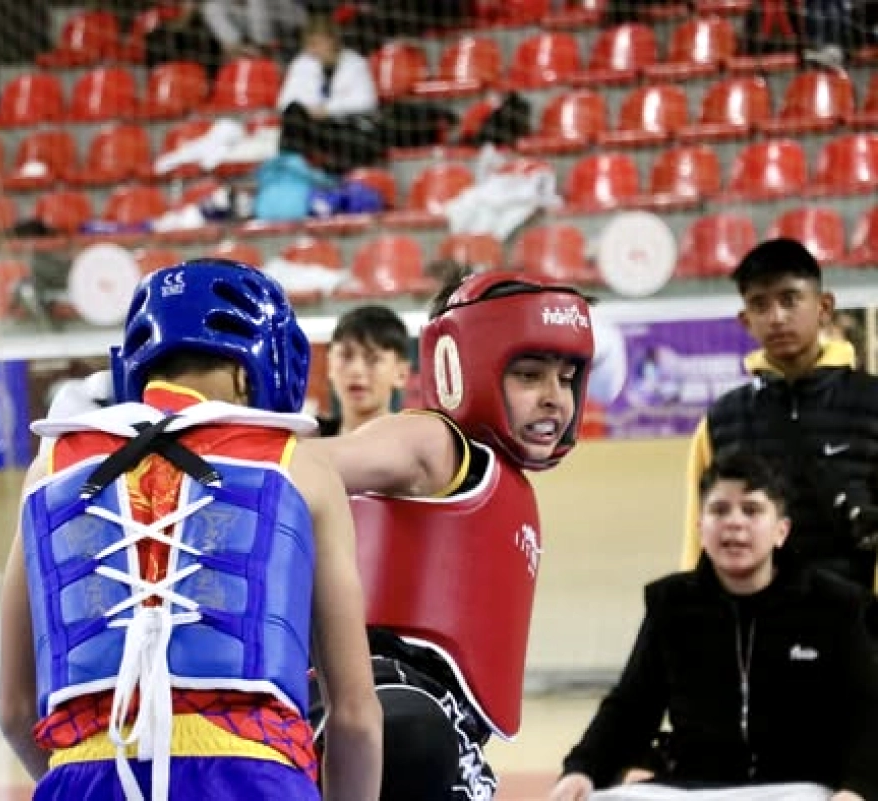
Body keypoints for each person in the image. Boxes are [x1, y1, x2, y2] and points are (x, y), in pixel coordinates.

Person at [0, 259, 383, 801]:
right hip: (251, 776)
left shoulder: (48, 468)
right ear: (252, 372)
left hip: (85, 774)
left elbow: (15, 711)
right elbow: (355, 717)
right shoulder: (302, 467)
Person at [307, 268, 597, 801]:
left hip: (429, 723)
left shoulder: (496, 479)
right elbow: (295, 465)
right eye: (530, 375)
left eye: (566, 377)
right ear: (468, 368)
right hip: (389, 706)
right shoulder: (435, 442)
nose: (555, 397)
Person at [549, 450, 878, 801]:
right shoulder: (670, 603)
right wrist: (581, 770)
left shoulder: (836, 605)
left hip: (797, 788)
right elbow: (630, 708)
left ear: (781, 530)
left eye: (751, 510)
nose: (734, 523)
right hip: (692, 787)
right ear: (700, 527)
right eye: (719, 510)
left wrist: (858, 789)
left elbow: (868, 710)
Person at [681, 238, 878, 592]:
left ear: (824, 306)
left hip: (859, 629)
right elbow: (701, 536)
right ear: (745, 320)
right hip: (760, 628)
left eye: (790, 300)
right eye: (760, 305)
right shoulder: (720, 421)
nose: (777, 318)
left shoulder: (872, 402)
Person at [276, 14, 382, 175]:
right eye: (308, 44)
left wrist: (328, 110)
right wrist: (311, 108)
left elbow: (367, 101)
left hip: (346, 127)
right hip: (316, 127)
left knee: (359, 140)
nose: (312, 49)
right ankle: (290, 172)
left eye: (316, 44)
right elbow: (284, 102)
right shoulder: (301, 63)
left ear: (332, 41)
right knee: (293, 114)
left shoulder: (355, 63)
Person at [317, 305, 411, 436]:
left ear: (401, 374)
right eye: (346, 355)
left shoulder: (416, 447)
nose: (356, 370)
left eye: (373, 359)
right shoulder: (303, 439)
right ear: (329, 365)